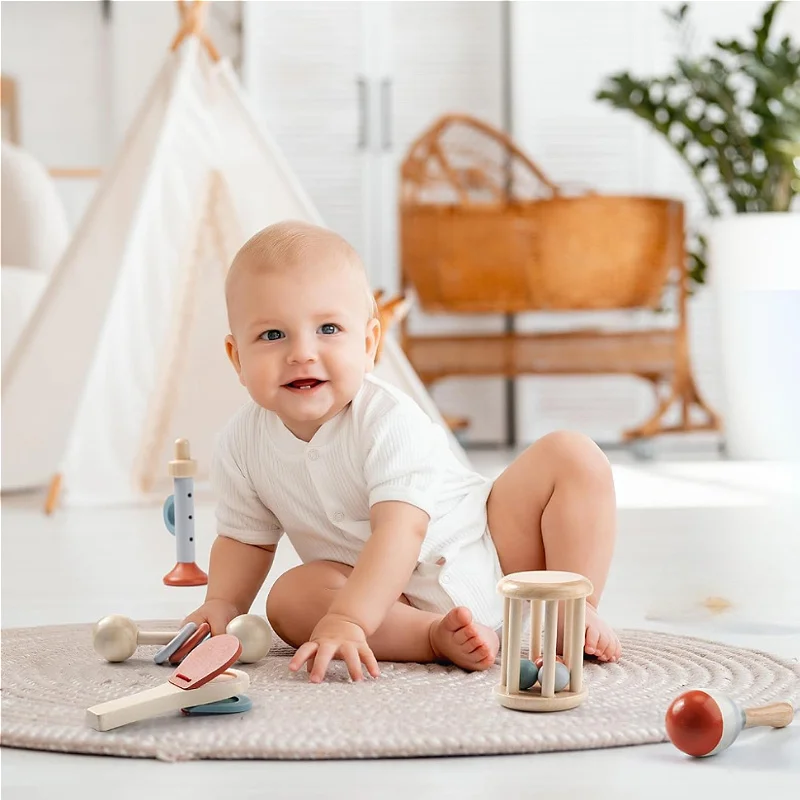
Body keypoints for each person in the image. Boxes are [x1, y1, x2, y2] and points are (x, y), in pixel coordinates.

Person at [184, 220, 621, 683]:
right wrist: (222, 603)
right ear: (237, 359)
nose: (302, 353)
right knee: (290, 599)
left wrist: (349, 618)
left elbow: (402, 528)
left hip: (491, 549)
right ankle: (432, 636)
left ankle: (573, 607)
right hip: (390, 601)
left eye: (328, 328)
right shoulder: (241, 443)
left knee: (572, 455)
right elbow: (244, 539)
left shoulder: (388, 418)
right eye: (273, 335)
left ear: (369, 344)